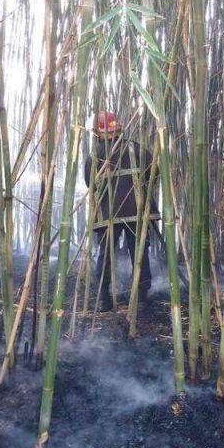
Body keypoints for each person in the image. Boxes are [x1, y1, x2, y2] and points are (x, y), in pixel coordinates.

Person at [84, 111, 159, 311]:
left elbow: (89, 185)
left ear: (98, 133)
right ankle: (141, 298)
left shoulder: (94, 156)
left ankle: (103, 299)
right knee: (139, 251)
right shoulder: (137, 149)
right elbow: (154, 173)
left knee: (106, 254)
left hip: (108, 215)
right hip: (137, 211)